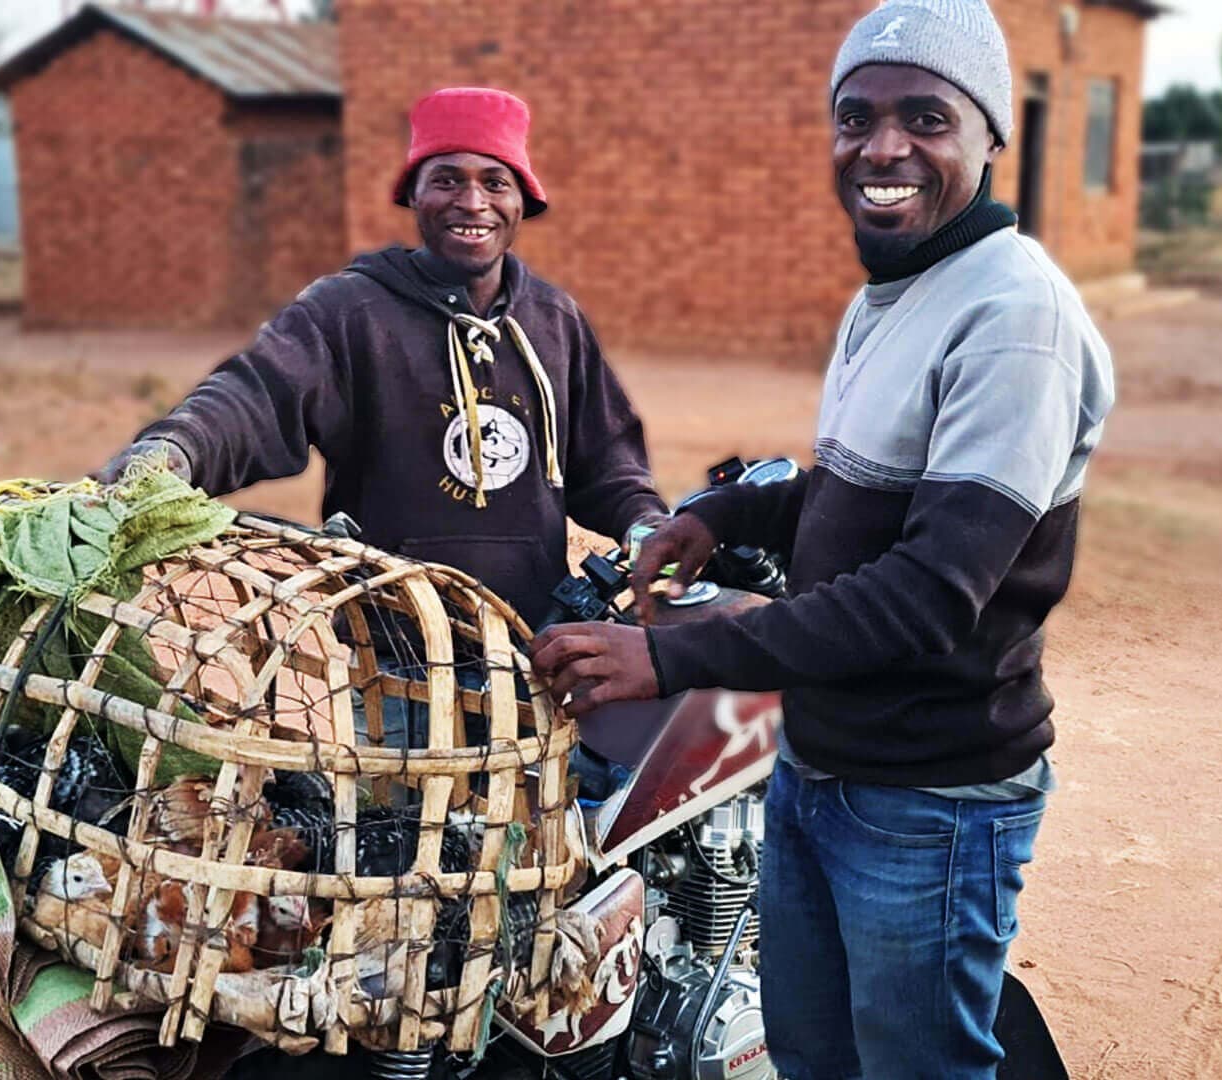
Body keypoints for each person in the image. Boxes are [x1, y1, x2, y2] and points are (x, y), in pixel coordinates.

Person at [531, 1, 1116, 1075]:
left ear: (989, 135)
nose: (883, 147)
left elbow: (931, 591)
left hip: (929, 797)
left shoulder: (1013, 315)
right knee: (814, 1055)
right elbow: (849, 499)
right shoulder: (893, 295)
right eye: (857, 117)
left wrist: (670, 655)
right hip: (824, 761)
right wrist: (722, 516)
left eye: (926, 118)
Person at [97, 87, 667, 746]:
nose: (472, 201)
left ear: (522, 200)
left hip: (530, 648)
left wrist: (647, 522)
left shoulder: (553, 321)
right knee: (400, 835)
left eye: (495, 181)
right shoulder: (348, 313)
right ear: (414, 195)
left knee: (531, 835)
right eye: (446, 179)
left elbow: (610, 466)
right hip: (396, 656)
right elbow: (253, 397)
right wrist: (174, 451)